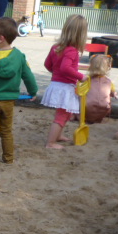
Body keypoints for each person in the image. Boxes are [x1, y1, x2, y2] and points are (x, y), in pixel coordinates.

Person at [0, 17, 38, 168]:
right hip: (9, 101)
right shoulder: (19, 57)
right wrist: (33, 91)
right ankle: (8, 158)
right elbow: (28, 76)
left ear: (1, 38)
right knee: (6, 130)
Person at [41, 14, 88, 149]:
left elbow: (47, 65)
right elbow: (65, 68)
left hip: (58, 84)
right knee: (61, 116)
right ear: (81, 35)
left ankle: (58, 135)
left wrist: (56, 74)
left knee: (66, 113)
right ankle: (50, 143)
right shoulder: (72, 51)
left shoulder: (56, 47)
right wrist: (81, 76)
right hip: (65, 87)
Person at [85, 54, 117, 124]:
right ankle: (98, 119)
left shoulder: (87, 80)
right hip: (104, 109)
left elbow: (80, 92)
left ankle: (77, 116)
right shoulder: (109, 82)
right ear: (108, 67)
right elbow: (112, 93)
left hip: (86, 109)